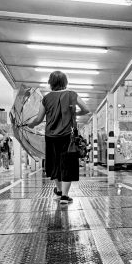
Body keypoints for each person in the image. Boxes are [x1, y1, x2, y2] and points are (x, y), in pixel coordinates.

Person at [27, 71, 90, 204]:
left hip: (50, 136)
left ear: (50, 83)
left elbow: (38, 119)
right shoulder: (72, 94)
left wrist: (31, 124)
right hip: (68, 136)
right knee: (68, 163)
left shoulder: (46, 98)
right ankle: (65, 196)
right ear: (65, 82)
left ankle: (59, 190)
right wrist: (75, 112)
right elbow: (86, 109)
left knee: (54, 163)